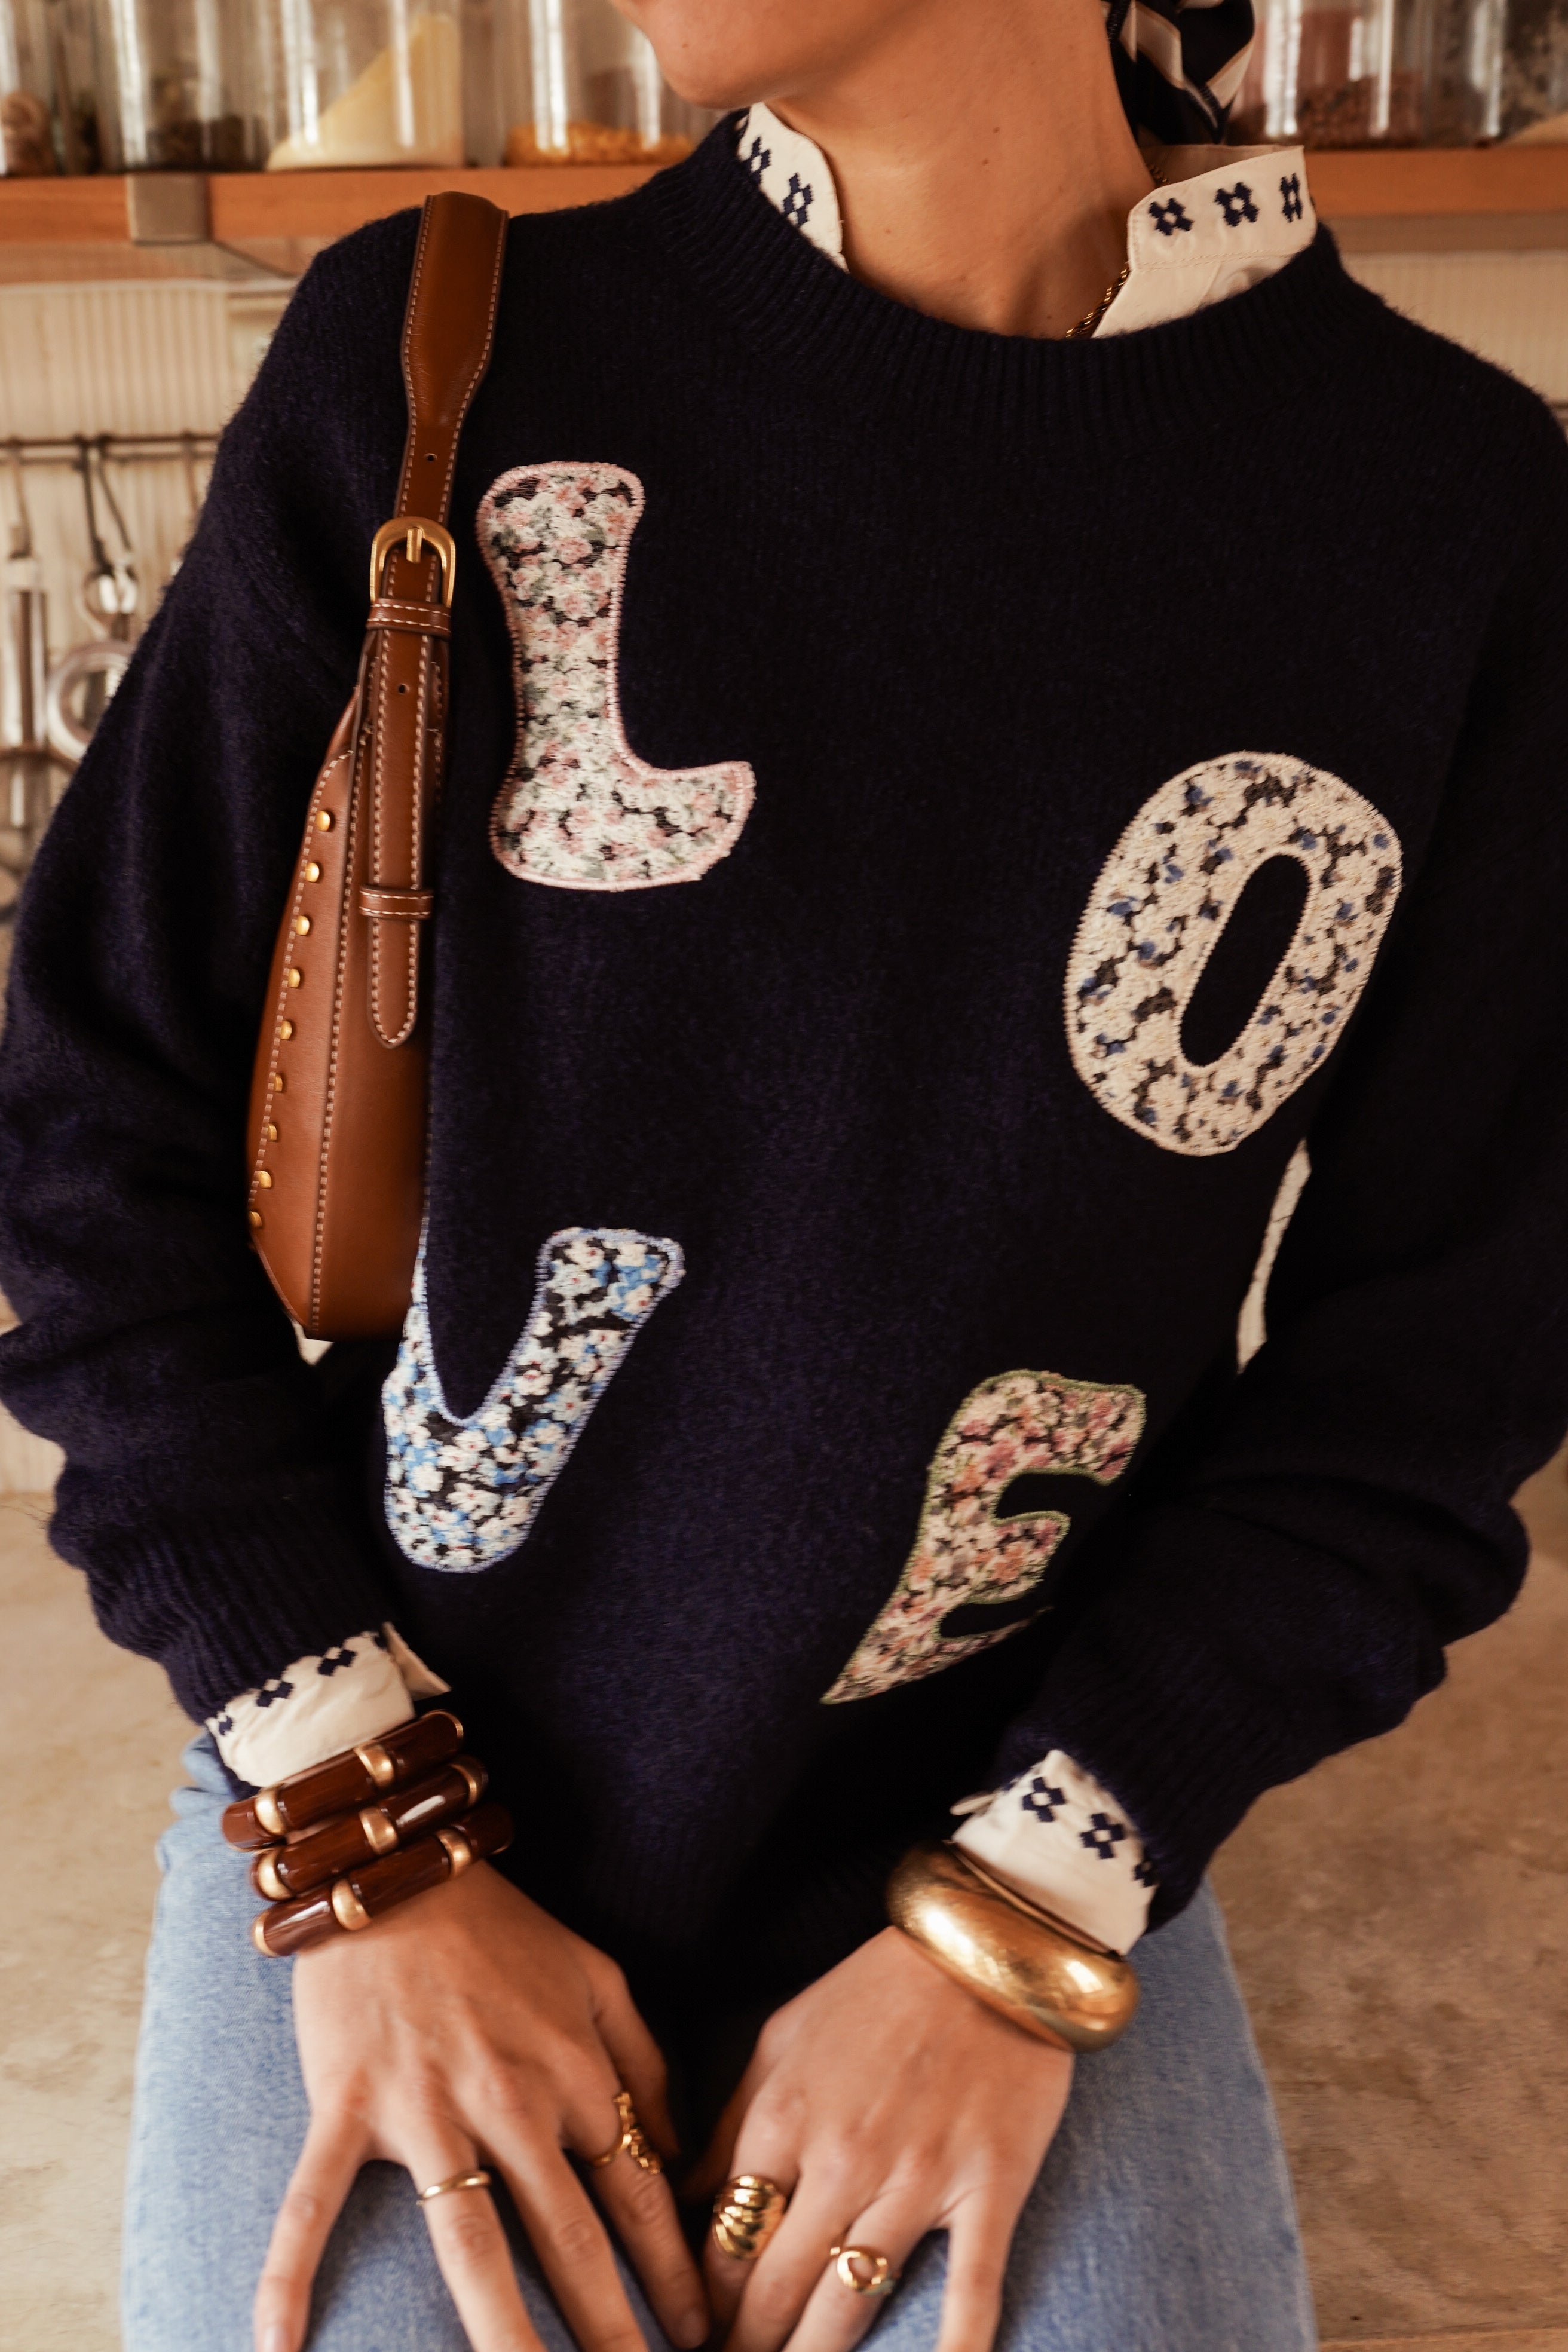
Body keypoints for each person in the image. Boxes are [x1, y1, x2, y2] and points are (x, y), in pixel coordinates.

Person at [2, 0, 1566, 2347]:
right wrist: (367, 1840)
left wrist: (1025, 1917)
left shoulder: (1455, 521)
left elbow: (1445, 1358)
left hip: (1016, 1804)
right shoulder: (439, 364)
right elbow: (83, 1132)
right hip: (391, 1746)